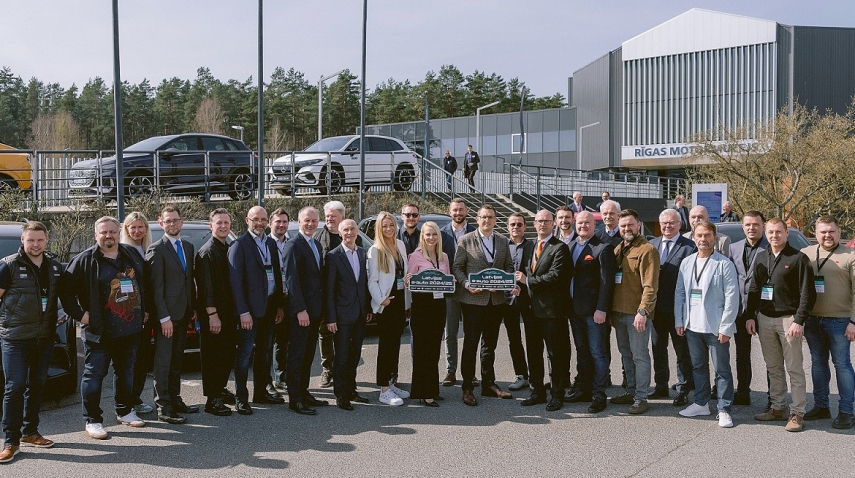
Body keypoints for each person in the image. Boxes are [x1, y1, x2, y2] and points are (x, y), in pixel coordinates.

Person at [62, 216, 148, 439]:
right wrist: (82, 315)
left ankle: (125, 411)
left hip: (129, 329)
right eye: (103, 232)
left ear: (119, 232)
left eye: (112, 231)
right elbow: (66, 292)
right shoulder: (84, 260)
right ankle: (92, 420)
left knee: (126, 372)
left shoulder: (130, 254)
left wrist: (145, 310)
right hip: (100, 331)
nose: (108, 236)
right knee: (94, 375)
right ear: (95, 235)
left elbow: (144, 283)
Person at [0, 222, 63, 462]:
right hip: (14, 339)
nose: (35, 245)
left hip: (43, 337)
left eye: (39, 240)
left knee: (36, 386)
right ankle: (11, 441)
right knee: (14, 387)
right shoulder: (8, 266)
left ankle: (30, 432)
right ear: (22, 241)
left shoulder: (55, 267)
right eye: (30, 240)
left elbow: (65, 295)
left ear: (47, 240)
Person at [746, 218, 815, 432]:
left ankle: (797, 413)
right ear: (765, 234)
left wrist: (799, 320)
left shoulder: (798, 258)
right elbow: (755, 289)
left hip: (789, 320)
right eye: (770, 232)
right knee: (773, 367)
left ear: (786, 232)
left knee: (794, 368)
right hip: (765, 319)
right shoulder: (761, 257)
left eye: (778, 232)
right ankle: (777, 408)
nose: (774, 236)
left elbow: (808, 294)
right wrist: (750, 315)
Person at [674, 220, 739, 428]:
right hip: (692, 326)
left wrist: (726, 326)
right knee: (698, 367)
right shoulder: (687, 262)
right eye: (699, 236)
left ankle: (724, 409)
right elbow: (680, 293)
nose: (703, 239)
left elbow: (732, 297)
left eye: (707, 236)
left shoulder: (724, 264)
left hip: (715, 326)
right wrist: (679, 319)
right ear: (694, 237)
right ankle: (701, 403)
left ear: (714, 238)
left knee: (722, 369)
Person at [452, 205, 515, 406]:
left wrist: (504, 283)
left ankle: (489, 384)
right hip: (472, 301)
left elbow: (509, 267)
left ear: (495, 220)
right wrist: (467, 284)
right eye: (483, 217)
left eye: (490, 217)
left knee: (490, 344)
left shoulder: (504, 241)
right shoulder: (465, 240)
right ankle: (468, 387)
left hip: (495, 302)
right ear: (477, 219)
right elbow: (457, 267)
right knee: (470, 344)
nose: (487, 220)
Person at [229, 206, 288, 415]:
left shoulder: (270, 243)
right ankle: (241, 398)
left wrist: (279, 305)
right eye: (256, 219)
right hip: (250, 312)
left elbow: (278, 276)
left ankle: (260, 392)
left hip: (269, 308)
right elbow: (236, 283)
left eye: (263, 219)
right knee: (244, 355)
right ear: (247, 220)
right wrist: (243, 312)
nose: (260, 223)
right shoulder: (239, 245)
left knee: (264, 353)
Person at [801, 215, 855, 429]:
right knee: (818, 363)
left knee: (842, 365)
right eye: (823, 231)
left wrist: (853, 321)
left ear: (839, 232)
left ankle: (847, 411)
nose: (827, 235)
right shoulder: (805, 254)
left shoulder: (850, 256)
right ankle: (821, 405)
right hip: (813, 320)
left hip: (841, 321)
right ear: (816, 234)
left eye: (831, 231)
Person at [146, 206, 199, 424]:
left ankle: (176, 399)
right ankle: (163, 407)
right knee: (163, 363)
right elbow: (155, 289)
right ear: (161, 223)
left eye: (175, 220)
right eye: (168, 221)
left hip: (184, 314)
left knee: (177, 361)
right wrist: (163, 318)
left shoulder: (187, 246)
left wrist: (193, 308)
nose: (172, 224)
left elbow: (189, 281)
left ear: (182, 222)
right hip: (166, 318)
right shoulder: (156, 249)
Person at [516, 210, 571, 411]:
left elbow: (556, 277)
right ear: (534, 223)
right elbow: (524, 271)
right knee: (533, 352)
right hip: (530, 310)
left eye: (547, 221)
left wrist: (527, 281)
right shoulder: (530, 246)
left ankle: (557, 394)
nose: (542, 224)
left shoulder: (560, 248)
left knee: (554, 355)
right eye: (539, 221)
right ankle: (536, 391)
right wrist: (519, 286)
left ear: (553, 223)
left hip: (551, 312)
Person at [610, 209, 659, 415]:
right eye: (623, 226)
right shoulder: (619, 248)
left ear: (638, 225)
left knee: (639, 356)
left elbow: (650, 286)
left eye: (630, 225)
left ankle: (641, 397)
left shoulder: (647, 250)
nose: (627, 229)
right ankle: (631, 391)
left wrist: (643, 311)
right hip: (618, 312)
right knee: (626, 355)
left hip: (636, 314)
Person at [566, 211, 615, 413]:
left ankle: (599, 394)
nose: (583, 226)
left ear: (595, 225)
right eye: (580, 223)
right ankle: (584, 390)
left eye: (587, 223)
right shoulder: (570, 246)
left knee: (598, 353)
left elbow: (607, 282)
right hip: (574, 310)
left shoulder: (602, 248)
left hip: (594, 312)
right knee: (582, 351)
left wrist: (602, 309)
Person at [648, 209, 697, 405]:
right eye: (664, 223)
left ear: (679, 224)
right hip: (656, 309)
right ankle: (661, 386)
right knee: (658, 348)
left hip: (679, 309)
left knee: (681, 351)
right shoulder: (652, 245)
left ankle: (683, 388)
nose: (668, 226)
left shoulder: (690, 247)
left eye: (672, 223)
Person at [324, 219, 371, 411]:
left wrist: (367, 308)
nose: (349, 232)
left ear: (357, 231)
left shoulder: (362, 253)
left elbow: (363, 284)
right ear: (340, 233)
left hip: (360, 313)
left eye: (352, 229)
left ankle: (352, 389)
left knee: (355, 354)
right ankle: (341, 395)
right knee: (342, 356)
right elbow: (329, 290)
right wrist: (331, 318)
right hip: (341, 315)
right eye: (346, 230)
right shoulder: (333, 256)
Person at [194, 208, 238, 417]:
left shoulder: (227, 247)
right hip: (215, 315)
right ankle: (212, 400)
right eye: (218, 223)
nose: (223, 226)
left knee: (226, 355)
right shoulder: (207, 252)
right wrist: (212, 315)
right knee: (213, 357)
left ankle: (219, 389)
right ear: (211, 226)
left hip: (228, 313)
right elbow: (206, 288)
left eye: (226, 223)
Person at [315, 201, 362, 389]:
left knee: (346, 343)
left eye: (333, 216)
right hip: (325, 294)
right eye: (327, 216)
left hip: (346, 299)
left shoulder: (353, 238)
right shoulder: (319, 237)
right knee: (325, 333)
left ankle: (346, 378)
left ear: (342, 217)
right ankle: (327, 369)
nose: (329, 219)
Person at [368, 211, 412, 406]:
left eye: (391, 225)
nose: (388, 229)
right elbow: (372, 281)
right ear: (379, 228)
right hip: (387, 304)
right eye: (384, 226)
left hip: (401, 301)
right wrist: (381, 300)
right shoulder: (375, 250)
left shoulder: (400, 244)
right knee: (386, 347)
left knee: (395, 345)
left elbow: (403, 272)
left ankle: (391, 382)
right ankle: (383, 389)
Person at [405, 221, 450, 407]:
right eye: (427, 234)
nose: (431, 238)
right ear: (422, 237)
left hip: (438, 306)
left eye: (434, 234)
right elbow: (408, 282)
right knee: (423, 351)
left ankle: (433, 389)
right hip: (422, 307)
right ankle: (424, 392)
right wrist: (408, 280)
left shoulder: (444, 257)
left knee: (434, 350)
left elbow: (447, 279)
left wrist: (450, 280)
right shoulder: (415, 256)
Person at [728, 210, 768, 405]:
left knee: (771, 356)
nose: (752, 228)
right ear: (743, 227)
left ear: (763, 226)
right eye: (748, 225)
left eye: (756, 224)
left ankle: (774, 397)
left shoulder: (771, 248)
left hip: (765, 310)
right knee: (742, 354)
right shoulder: (734, 248)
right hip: (740, 310)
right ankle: (743, 391)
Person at [120, 212, 158, 415]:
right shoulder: (123, 251)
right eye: (132, 227)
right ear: (125, 229)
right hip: (133, 315)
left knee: (142, 358)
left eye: (140, 227)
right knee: (131, 360)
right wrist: (140, 310)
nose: (137, 231)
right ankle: (128, 401)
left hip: (148, 314)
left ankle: (135, 398)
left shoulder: (147, 249)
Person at [439, 198, 475, 387]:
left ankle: (470, 372)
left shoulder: (475, 232)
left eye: (461, 209)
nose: (458, 213)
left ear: (467, 211)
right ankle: (450, 371)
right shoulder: (442, 233)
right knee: (450, 332)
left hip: (471, 289)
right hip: (450, 290)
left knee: (471, 333)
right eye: (455, 210)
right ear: (449, 211)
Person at [501, 213, 530, 392]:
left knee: (533, 338)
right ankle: (521, 375)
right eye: (512, 224)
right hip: (508, 300)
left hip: (529, 299)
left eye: (519, 224)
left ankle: (537, 375)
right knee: (514, 339)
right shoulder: (502, 246)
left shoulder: (532, 245)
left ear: (525, 227)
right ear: (507, 226)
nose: (516, 227)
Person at [269, 208, 290, 393]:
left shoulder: (290, 243)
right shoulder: (266, 244)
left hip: (288, 298)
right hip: (270, 300)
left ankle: (281, 377)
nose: (281, 225)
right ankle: (267, 381)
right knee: (268, 342)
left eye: (284, 222)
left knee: (283, 342)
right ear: (270, 224)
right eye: (278, 222)